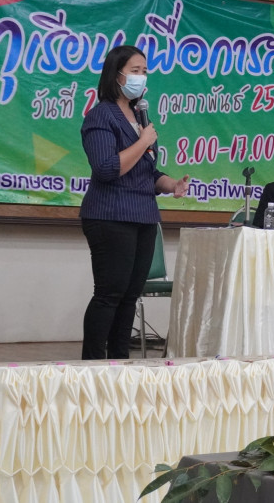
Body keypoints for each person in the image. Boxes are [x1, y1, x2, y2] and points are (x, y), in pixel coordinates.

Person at [79, 45, 189, 360]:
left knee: (129, 296)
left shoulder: (140, 116)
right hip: (110, 216)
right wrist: (142, 142)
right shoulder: (101, 116)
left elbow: (147, 172)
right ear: (116, 75)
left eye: (144, 71)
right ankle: (91, 364)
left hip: (143, 216)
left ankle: (120, 362)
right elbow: (107, 168)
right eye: (135, 71)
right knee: (109, 294)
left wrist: (172, 185)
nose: (142, 77)